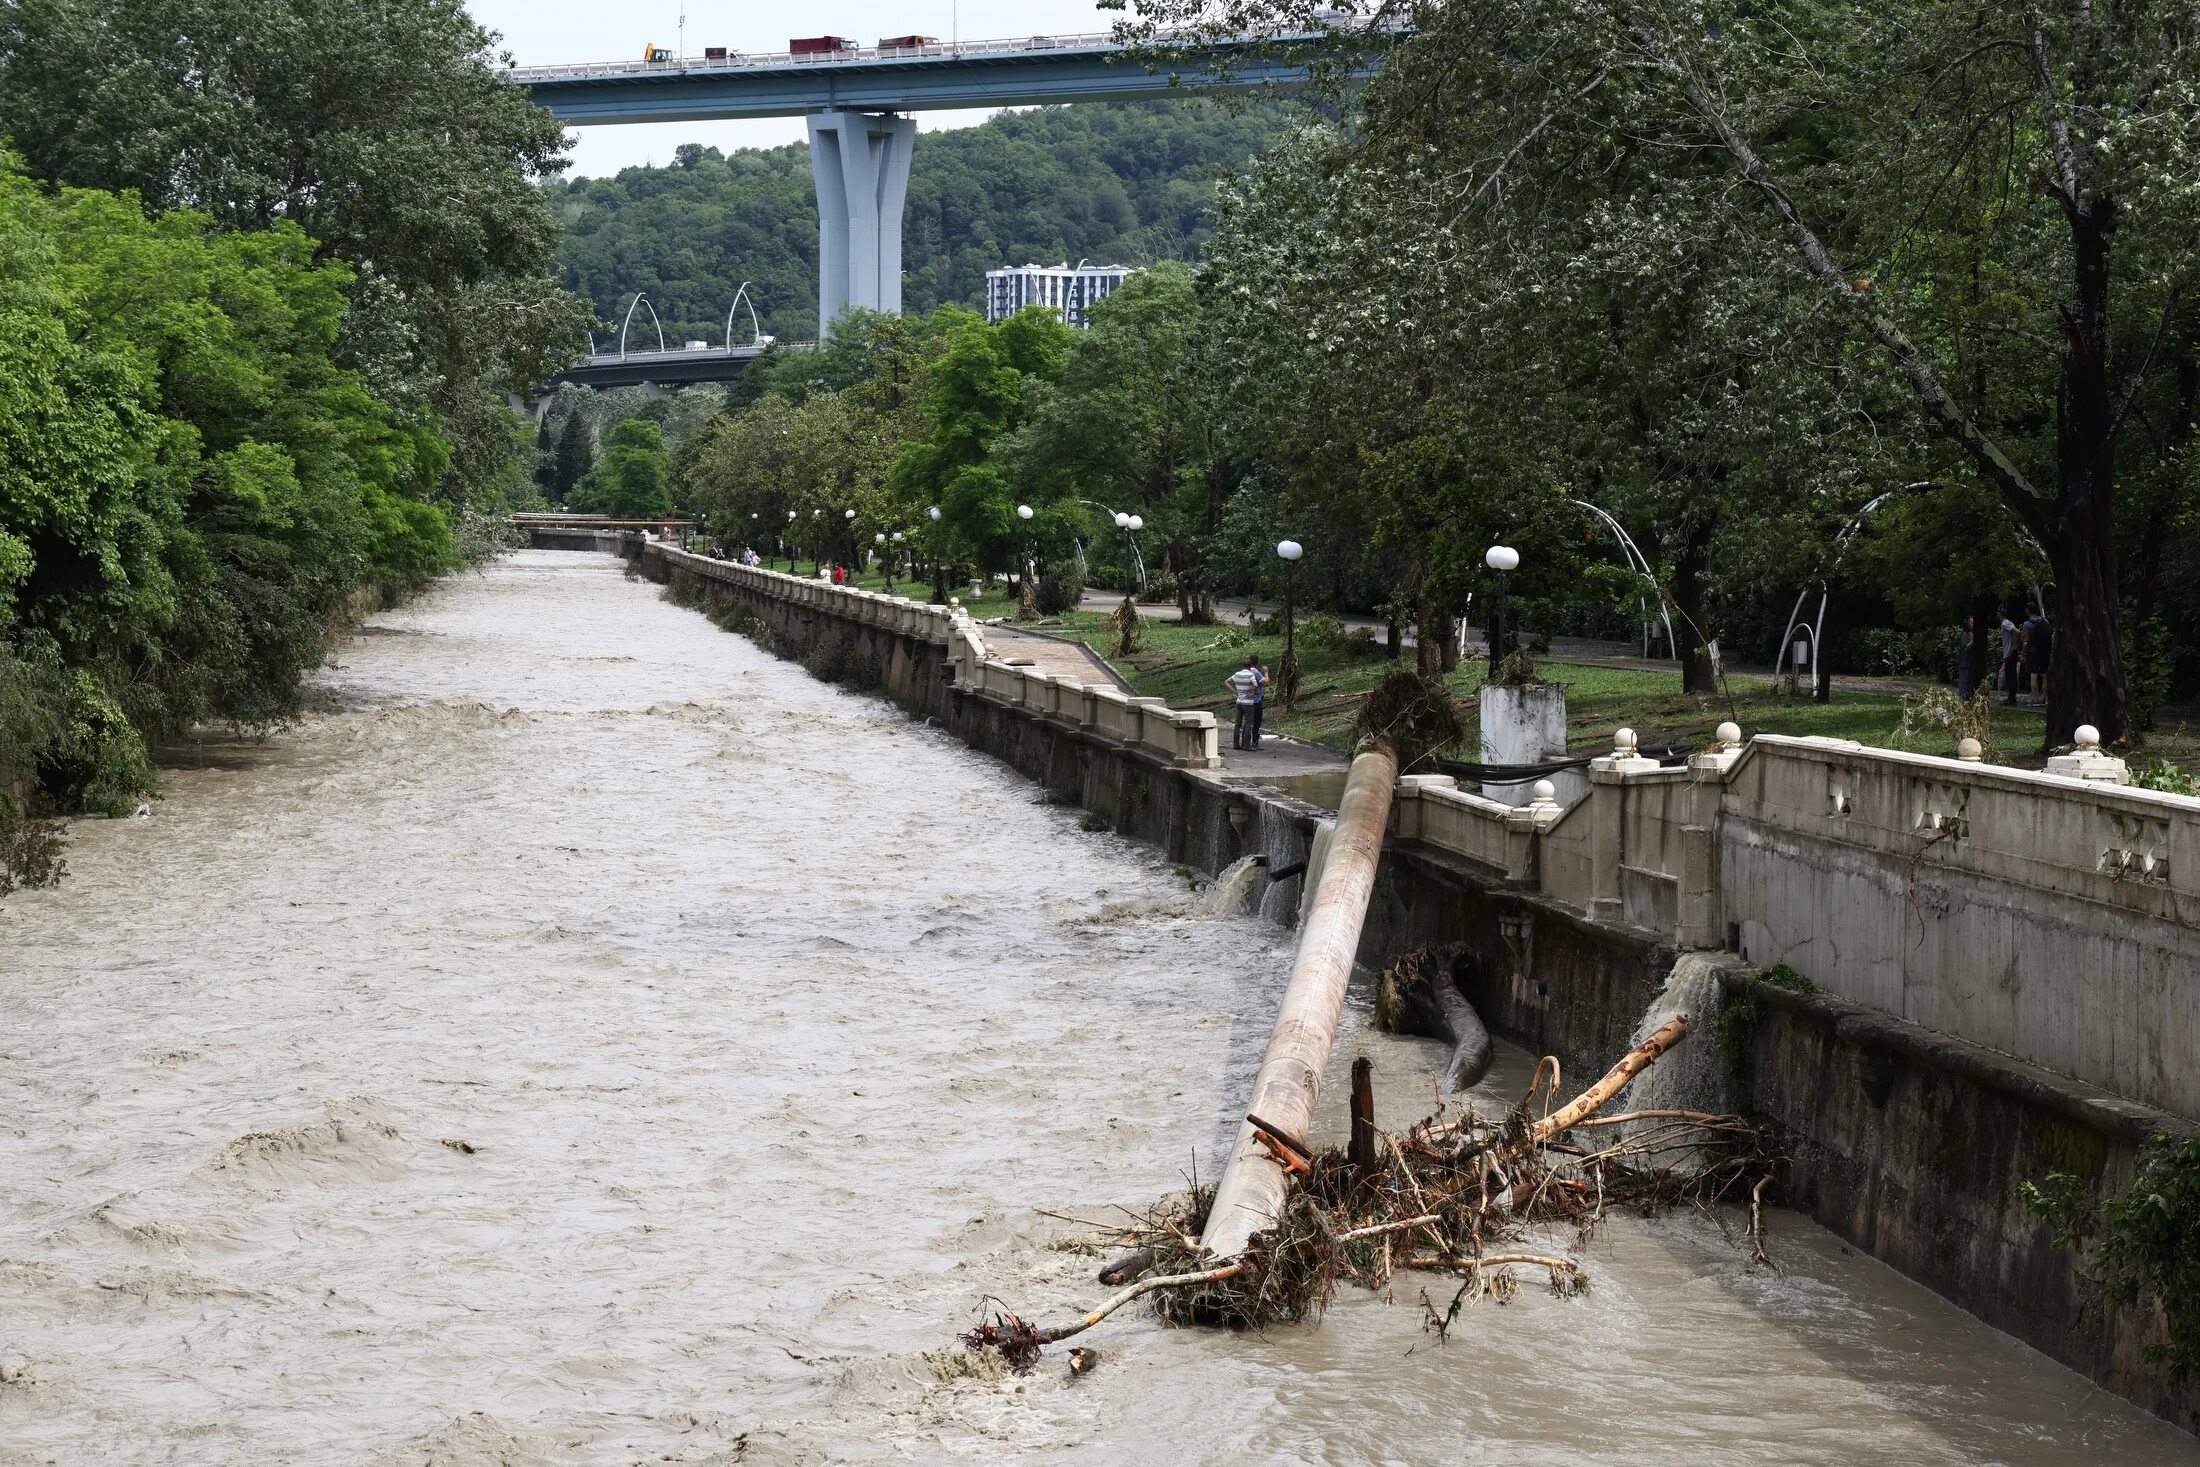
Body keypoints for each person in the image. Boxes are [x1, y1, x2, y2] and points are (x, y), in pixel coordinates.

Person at [1224, 655, 1264, 751]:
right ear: (1251, 666)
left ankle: (1236, 744)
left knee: (1238, 723)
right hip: (1248, 703)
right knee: (1248, 723)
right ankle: (1246, 745)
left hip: (1239, 701)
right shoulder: (1251, 675)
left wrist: (1235, 691)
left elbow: (1226, 682)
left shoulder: (1237, 674)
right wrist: (1252, 692)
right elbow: (1255, 685)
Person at [2023, 602, 2052, 703]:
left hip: (2033, 652)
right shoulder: (2045, 621)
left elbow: (2026, 642)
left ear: (2027, 610)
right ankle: (2045, 698)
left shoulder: (2027, 624)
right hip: (2045, 652)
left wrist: (2023, 654)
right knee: (2045, 676)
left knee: (2034, 676)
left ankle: (2035, 699)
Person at [1248, 655, 1271, 748]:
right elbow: (1266, 682)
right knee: (1257, 722)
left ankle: (1245, 742)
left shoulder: (1245, 672)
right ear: (1257, 663)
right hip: (1256, 700)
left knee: (1248, 721)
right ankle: (1255, 742)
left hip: (1246, 700)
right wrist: (1266, 673)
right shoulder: (1255, 672)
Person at [1999, 609, 2021, 705]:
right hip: (2010, 652)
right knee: (2011, 674)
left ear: (1999, 614)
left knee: (2010, 675)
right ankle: (2011, 696)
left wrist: (2014, 647)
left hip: (2009, 652)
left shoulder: (2005, 623)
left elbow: (2017, 632)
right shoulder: (2008, 623)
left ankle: (2011, 698)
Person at [1956, 615, 1978, 701]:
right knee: (1964, 682)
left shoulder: (1974, 634)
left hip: (1972, 662)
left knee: (1970, 683)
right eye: (1972, 622)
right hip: (1965, 662)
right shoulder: (1965, 634)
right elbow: (1965, 647)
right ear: (1968, 624)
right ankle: (1963, 697)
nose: (1973, 624)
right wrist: (1974, 640)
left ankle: (1969, 697)